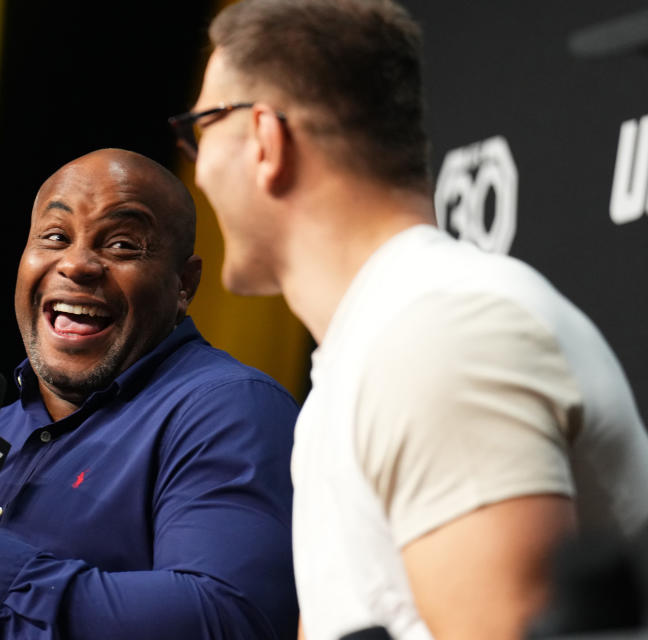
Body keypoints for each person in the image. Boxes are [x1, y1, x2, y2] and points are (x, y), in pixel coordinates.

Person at [172, 1, 648, 638]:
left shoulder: (440, 335)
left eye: (202, 129)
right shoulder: (368, 359)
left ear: (266, 140)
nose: (197, 170)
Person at [0, 148, 300, 639]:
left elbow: (228, 618)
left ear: (184, 284)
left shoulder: (228, 408)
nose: (78, 264)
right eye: (56, 237)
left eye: (123, 245)